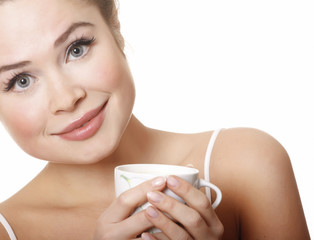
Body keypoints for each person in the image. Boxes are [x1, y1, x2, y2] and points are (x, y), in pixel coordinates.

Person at [0, 0, 310, 239]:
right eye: (21, 81)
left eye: (77, 49)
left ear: (115, 28)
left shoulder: (248, 165)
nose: (67, 98)